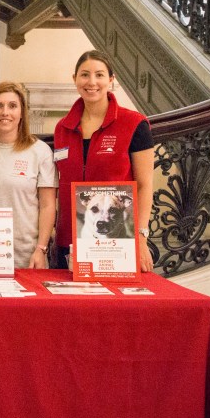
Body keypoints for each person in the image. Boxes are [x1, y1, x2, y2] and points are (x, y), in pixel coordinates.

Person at [54, 49, 155, 271]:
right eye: (84, 75)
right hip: (69, 238)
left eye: (99, 75)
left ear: (111, 80)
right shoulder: (62, 128)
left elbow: (145, 184)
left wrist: (141, 236)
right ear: (75, 79)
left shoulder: (134, 124)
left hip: (116, 241)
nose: (92, 82)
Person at [0, 82, 56, 269]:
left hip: (28, 257)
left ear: (22, 113)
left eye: (12, 106)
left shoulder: (40, 151)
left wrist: (41, 249)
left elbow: (48, 205)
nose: (5, 112)